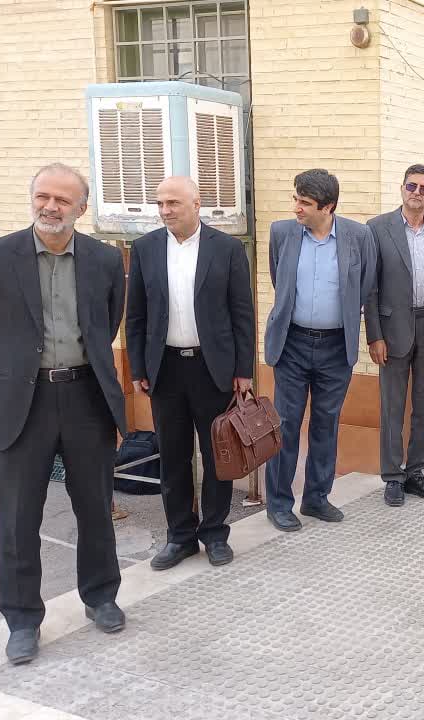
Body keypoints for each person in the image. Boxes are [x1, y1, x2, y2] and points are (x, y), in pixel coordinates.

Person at [0, 163, 129, 664]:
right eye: (42, 196)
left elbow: (108, 322)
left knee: (95, 507)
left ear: (82, 208)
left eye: (62, 200)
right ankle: (21, 620)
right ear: (32, 198)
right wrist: (14, 372)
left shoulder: (104, 259)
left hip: (85, 398)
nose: (50, 207)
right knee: (17, 517)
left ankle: (101, 596)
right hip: (22, 401)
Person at [125, 177, 255, 568]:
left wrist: (244, 370)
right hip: (164, 369)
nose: (165, 210)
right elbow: (136, 315)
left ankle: (214, 533)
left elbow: (242, 314)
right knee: (173, 456)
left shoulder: (227, 248)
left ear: (196, 204)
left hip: (213, 369)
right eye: (160, 204)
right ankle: (180, 536)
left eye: (173, 203)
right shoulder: (145, 248)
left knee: (218, 455)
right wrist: (138, 366)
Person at [262, 169, 376, 532]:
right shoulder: (281, 233)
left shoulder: (359, 236)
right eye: (295, 199)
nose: (296, 207)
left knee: (326, 424)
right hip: (292, 344)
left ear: (328, 207)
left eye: (305, 202)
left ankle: (316, 498)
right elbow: (279, 280)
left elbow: (365, 287)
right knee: (286, 424)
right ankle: (279, 504)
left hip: (336, 347)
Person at [366, 164, 424, 507]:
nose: (416, 193)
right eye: (411, 186)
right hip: (392, 331)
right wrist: (374, 336)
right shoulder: (377, 228)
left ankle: (416, 471)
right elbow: (370, 289)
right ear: (402, 188)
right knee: (392, 406)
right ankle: (392, 475)